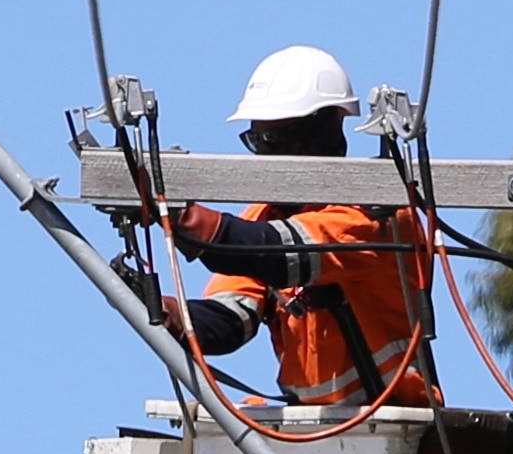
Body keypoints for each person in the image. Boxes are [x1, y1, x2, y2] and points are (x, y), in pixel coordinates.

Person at [160, 45, 436, 407]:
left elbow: (280, 254)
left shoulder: (376, 214)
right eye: (254, 140)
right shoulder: (265, 215)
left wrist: (181, 218)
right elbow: (228, 322)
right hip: (313, 434)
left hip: (394, 427)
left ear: (318, 138)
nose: (260, 153)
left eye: (269, 140)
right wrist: (161, 310)